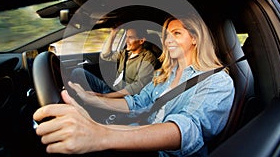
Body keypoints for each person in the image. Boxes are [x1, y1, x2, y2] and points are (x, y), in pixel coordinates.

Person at [33, 16, 234, 156]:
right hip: (134, 129)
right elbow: (136, 102)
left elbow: (189, 129)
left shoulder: (217, 81)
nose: (168, 40)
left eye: (176, 33)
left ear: (195, 38)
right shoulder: (162, 74)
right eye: (166, 35)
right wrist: (90, 99)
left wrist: (102, 135)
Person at [70, 25, 159, 98]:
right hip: (111, 89)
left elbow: (139, 85)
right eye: (126, 37)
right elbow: (105, 56)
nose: (126, 41)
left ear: (141, 40)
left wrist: (106, 96)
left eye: (130, 37)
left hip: (122, 97)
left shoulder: (148, 58)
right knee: (78, 72)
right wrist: (113, 33)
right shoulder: (125, 53)